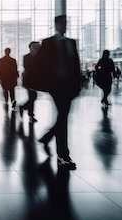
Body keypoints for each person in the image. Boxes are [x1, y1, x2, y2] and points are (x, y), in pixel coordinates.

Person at [25, 14, 81, 170]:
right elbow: (38, 64)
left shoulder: (71, 43)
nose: (65, 26)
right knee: (63, 116)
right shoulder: (48, 43)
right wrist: (31, 83)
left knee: (63, 116)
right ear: (56, 25)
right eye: (62, 23)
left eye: (66, 23)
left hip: (69, 84)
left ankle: (48, 137)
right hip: (56, 85)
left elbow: (76, 65)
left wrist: (78, 84)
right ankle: (63, 154)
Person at [21, 41, 41, 122]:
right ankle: (30, 114)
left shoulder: (40, 57)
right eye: (35, 47)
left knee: (32, 97)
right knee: (33, 96)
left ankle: (24, 108)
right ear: (30, 48)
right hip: (29, 80)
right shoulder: (26, 57)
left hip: (36, 80)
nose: (37, 48)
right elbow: (27, 68)